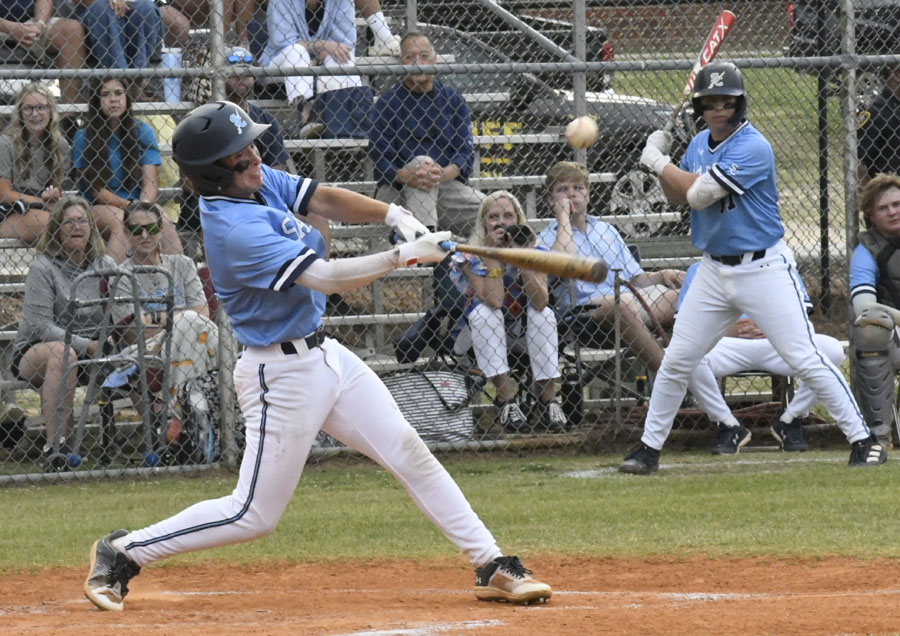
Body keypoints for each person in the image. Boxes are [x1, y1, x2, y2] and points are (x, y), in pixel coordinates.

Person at [83, 100, 552, 611]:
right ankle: (123, 551)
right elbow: (324, 278)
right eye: (240, 157)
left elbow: (321, 197)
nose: (256, 159)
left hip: (325, 355)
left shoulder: (252, 182)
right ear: (213, 174)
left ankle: (490, 562)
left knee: (408, 451)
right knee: (252, 515)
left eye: (252, 148)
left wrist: (396, 214)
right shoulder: (234, 229)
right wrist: (403, 256)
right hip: (279, 374)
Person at [619, 61, 885, 475]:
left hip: (763, 267)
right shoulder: (699, 144)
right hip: (712, 269)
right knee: (678, 360)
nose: (719, 110)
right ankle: (648, 449)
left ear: (739, 104)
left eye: (727, 102)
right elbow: (676, 195)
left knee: (805, 356)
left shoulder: (753, 146)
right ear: (700, 108)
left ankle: (864, 440)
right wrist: (663, 158)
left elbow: (700, 194)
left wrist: (655, 161)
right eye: (710, 103)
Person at [677, 262, 846, 454]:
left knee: (832, 350)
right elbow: (688, 325)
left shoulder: (780, 263)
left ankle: (791, 419)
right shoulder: (700, 269)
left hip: (777, 342)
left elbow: (801, 318)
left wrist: (769, 326)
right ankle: (727, 423)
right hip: (725, 343)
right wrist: (730, 328)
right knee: (683, 356)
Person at [536, 161, 684, 375]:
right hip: (585, 313)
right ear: (551, 199)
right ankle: (669, 377)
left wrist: (662, 275)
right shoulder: (546, 238)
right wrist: (563, 219)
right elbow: (564, 263)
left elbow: (636, 279)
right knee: (621, 303)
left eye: (578, 188)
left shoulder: (607, 230)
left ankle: (701, 368)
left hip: (631, 299)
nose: (572, 194)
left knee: (687, 293)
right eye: (562, 189)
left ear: (588, 195)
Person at [11, 195, 117, 471]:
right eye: (68, 222)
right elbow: (41, 326)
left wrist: (114, 337)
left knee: (139, 349)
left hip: (95, 346)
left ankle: (166, 436)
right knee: (63, 353)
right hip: (39, 348)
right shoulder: (43, 267)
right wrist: (86, 345)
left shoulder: (105, 264)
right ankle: (56, 448)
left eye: (82, 221)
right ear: (56, 229)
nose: (76, 227)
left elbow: (119, 311)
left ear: (91, 228)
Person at [449, 191, 565, 433]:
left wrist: (524, 258)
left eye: (508, 216)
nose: (501, 222)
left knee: (543, 314)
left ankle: (548, 401)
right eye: (493, 217)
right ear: (483, 223)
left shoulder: (535, 250)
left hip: (523, 331)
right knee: (485, 313)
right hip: (479, 333)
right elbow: (494, 300)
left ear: (518, 221)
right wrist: (493, 255)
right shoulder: (469, 255)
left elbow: (540, 301)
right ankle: (506, 399)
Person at [107, 201, 218, 442]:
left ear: (160, 229)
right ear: (126, 232)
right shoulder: (121, 276)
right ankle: (190, 418)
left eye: (151, 228)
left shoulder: (182, 264)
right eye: (136, 230)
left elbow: (203, 312)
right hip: (146, 350)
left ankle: (180, 421)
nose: (145, 235)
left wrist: (159, 319)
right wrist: (182, 317)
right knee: (191, 323)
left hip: (193, 340)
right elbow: (134, 330)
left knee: (193, 326)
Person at [369, 32, 485, 236]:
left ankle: (426, 241)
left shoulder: (453, 100)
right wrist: (410, 176)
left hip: (446, 187)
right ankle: (426, 246)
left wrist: (442, 174)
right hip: (397, 192)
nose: (417, 63)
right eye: (410, 57)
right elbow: (381, 160)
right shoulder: (387, 103)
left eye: (424, 56)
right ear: (401, 61)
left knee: (495, 208)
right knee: (422, 165)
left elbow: (464, 152)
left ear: (434, 60)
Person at [179, 45, 291, 244]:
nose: (242, 77)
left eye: (247, 73)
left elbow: (276, 171)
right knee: (218, 218)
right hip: (213, 197)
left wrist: (250, 193)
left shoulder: (265, 120)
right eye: (234, 73)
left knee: (315, 217)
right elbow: (187, 178)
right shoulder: (203, 119)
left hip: (258, 194)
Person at [72, 77, 182, 263]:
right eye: (105, 95)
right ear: (96, 101)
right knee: (121, 220)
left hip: (137, 202)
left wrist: (143, 206)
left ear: (127, 98)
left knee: (162, 218)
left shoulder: (142, 131)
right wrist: (130, 208)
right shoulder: (83, 136)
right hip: (97, 205)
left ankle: (178, 275)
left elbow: (150, 183)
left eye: (118, 93)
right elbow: (96, 189)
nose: (113, 99)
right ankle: (111, 277)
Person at [261, 0, 387, 134]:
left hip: (320, 61)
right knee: (296, 51)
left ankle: (348, 128)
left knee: (341, 57)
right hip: (280, 65)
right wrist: (321, 45)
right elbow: (283, 43)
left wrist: (318, 58)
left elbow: (345, 45)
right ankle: (306, 112)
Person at [848, 173, 900, 447]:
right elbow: (864, 307)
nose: (892, 212)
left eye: (897, 204)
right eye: (883, 208)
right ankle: (880, 433)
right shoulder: (867, 249)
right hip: (895, 335)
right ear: (871, 215)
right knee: (871, 326)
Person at [0, 82, 70, 244]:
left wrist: (52, 196)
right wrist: (42, 203)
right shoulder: (5, 143)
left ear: (51, 110)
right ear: (20, 112)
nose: (35, 114)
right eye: (28, 108)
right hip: (11, 209)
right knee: (53, 225)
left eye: (41, 107)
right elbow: (3, 194)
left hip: (44, 207)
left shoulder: (60, 145)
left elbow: (57, 189)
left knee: (74, 222)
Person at [0, 0, 85, 105]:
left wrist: (39, 24)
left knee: (71, 29)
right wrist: (11, 27)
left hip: (28, 23)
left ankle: (70, 110)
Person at [66, 0, 162, 70]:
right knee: (103, 7)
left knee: (147, 9)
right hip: (95, 12)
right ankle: (119, 78)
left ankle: (138, 76)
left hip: (132, 10)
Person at [857, 66, 900, 188]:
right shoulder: (877, 111)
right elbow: (856, 160)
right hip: (888, 192)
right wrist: (870, 193)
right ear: (898, 75)